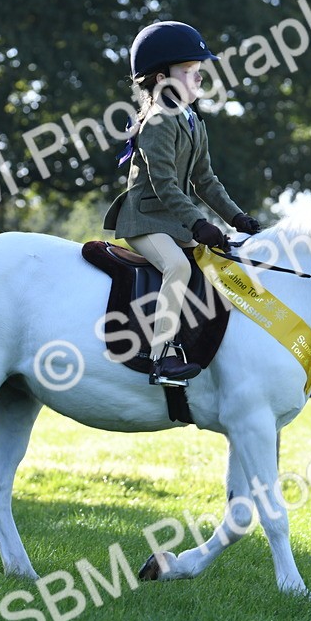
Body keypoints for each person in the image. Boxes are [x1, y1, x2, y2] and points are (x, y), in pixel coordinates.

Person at [104, 20, 261, 385]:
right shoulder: (158, 121)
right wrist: (198, 224)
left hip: (174, 223)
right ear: (161, 79)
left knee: (220, 263)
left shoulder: (193, 121)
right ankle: (162, 357)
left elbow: (206, 181)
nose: (198, 78)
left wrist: (237, 218)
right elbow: (164, 185)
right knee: (178, 266)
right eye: (189, 71)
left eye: (198, 71)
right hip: (144, 219)